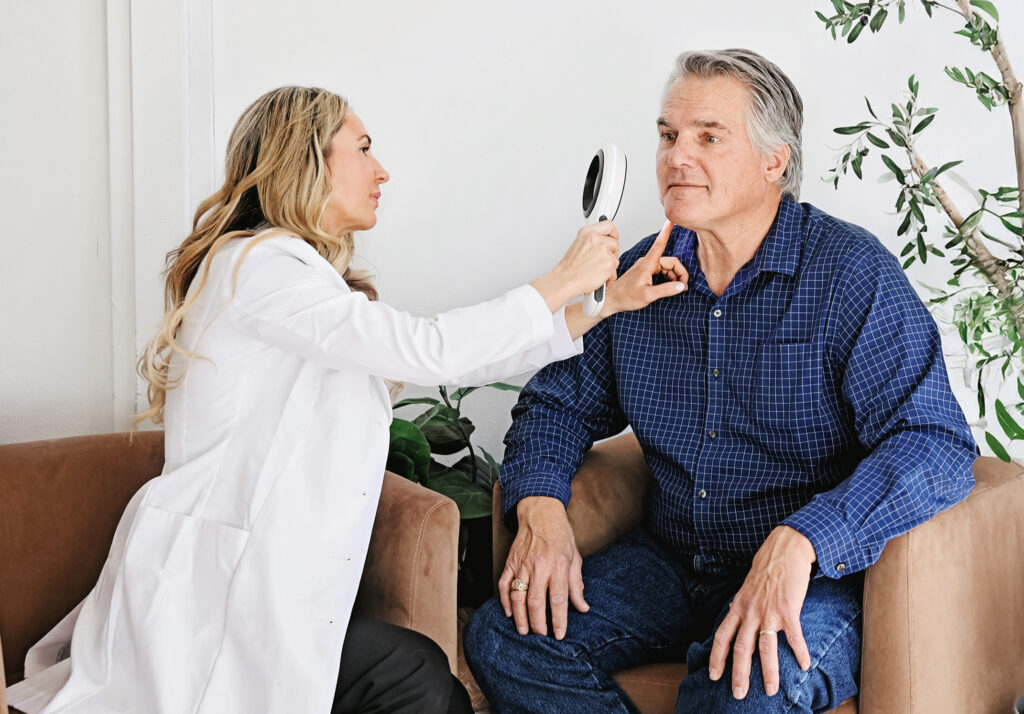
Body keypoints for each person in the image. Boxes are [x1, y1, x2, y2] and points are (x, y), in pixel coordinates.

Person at [4, 86, 688, 714]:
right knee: (415, 680)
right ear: (306, 162)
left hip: (264, 603)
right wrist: (561, 279)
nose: (381, 170)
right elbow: (428, 349)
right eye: (362, 149)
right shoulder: (260, 268)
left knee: (415, 676)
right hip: (208, 604)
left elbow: (445, 353)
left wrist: (598, 308)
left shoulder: (296, 280)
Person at [464, 48, 978, 713]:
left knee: (742, 689)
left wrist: (803, 540)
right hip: (672, 560)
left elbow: (934, 440)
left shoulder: (850, 274)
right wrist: (540, 510)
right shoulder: (643, 271)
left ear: (774, 160)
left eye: (709, 137)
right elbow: (555, 405)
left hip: (813, 573)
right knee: (508, 639)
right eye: (668, 135)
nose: (678, 157)